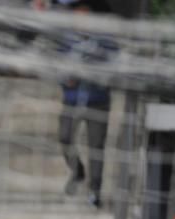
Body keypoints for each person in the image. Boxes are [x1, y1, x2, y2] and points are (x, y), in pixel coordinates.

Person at [59, 0, 117, 208]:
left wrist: (97, 71)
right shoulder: (65, 40)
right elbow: (55, 65)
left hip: (97, 101)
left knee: (96, 148)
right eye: (77, 17)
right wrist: (66, 79)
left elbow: (115, 65)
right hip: (72, 99)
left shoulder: (105, 39)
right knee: (65, 137)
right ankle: (77, 171)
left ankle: (95, 191)